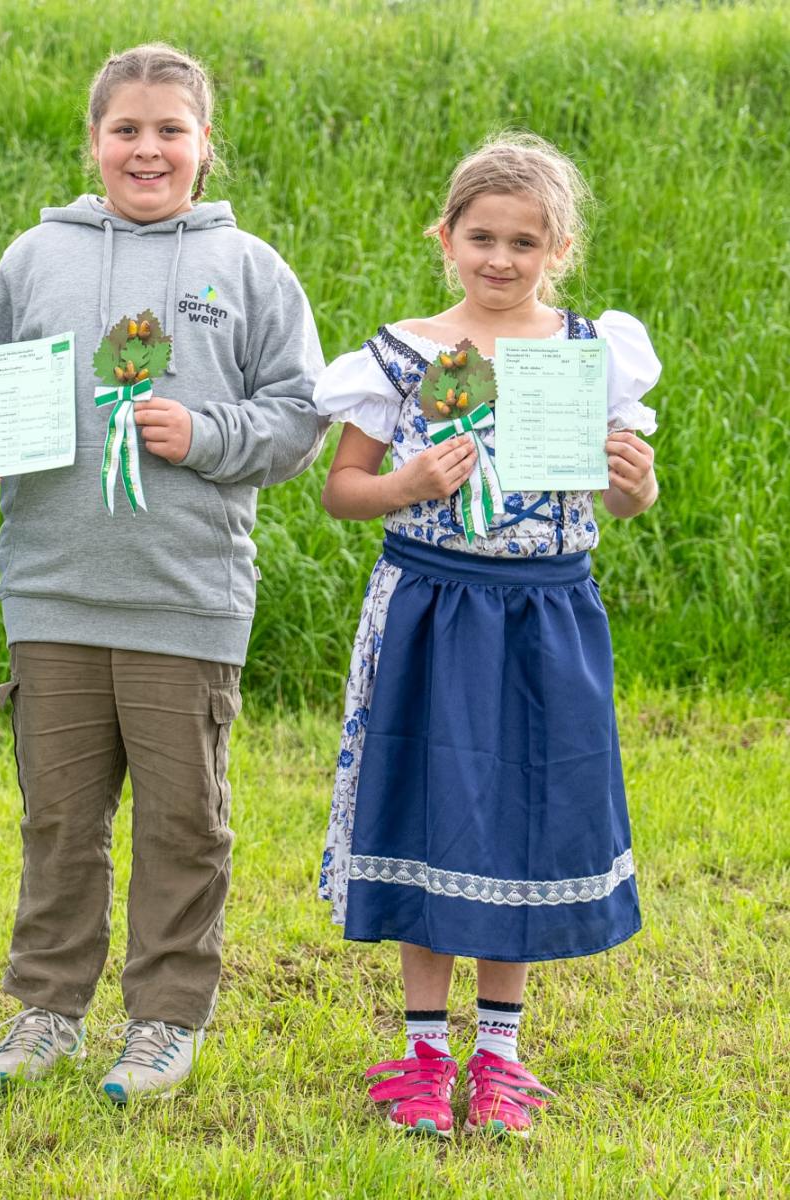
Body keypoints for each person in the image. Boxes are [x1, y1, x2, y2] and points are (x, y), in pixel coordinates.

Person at [0, 43, 326, 1102]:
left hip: (185, 598)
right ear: (94, 140)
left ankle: (163, 1021)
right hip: (51, 590)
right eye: (127, 130)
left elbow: (296, 422)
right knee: (59, 818)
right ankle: (48, 1006)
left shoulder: (250, 270)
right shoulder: (34, 258)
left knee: (184, 822)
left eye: (170, 131)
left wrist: (204, 430)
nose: (148, 150)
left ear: (204, 144)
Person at [314, 132, 661, 1138]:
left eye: (525, 241)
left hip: (547, 614)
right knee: (429, 809)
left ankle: (501, 1055)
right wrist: (407, 485)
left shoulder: (590, 354)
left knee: (525, 812)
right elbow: (343, 490)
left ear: (559, 247)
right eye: (482, 237)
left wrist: (635, 488)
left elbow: (623, 494)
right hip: (429, 606)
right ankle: (424, 1052)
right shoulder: (402, 355)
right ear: (447, 236)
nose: (501, 259)